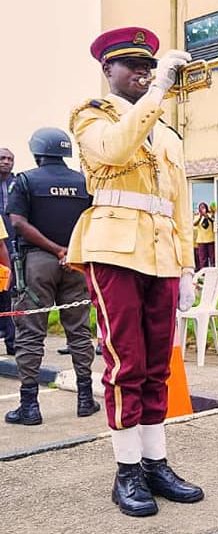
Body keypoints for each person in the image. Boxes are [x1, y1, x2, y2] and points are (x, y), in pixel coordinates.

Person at [67, 27, 202, 517]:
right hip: (113, 247)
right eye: (132, 65)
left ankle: (155, 461)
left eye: (148, 65)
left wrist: (187, 265)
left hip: (162, 253)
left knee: (156, 366)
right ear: (108, 71)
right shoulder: (91, 114)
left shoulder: (166, 129)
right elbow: (116, 150)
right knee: (125, 362)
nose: (143, 73)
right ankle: (126, 471)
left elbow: (179, 202)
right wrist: (161, 89)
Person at [4, 128, 100, 426]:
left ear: (37, 152)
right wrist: (69, 250)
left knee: (31, 333)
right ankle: (85, 399)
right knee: (80, 331)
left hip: (37, 263)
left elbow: (17, 222)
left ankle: (29, 406)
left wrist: (54, 248)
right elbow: (93, 220)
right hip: (76, 263)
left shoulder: (26, 180)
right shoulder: (84, 182)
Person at [0, 147, 16, 355]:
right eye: (2, 158)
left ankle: (12, 343)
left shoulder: (17, 183)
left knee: (10, 293)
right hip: (1, 243)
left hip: (11, 245)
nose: (5, 162)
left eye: (9, 159)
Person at [193, 202, 215, 268]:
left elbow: (213, 221)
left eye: (203, 207)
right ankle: (203, 273)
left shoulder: (210, 215)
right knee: (203, 259)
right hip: (201, 241)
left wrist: (207, 216)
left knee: (212, 258)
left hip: (210, 240)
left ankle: (213, 271)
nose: (202, 209)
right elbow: (194, 224)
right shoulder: (197, 216)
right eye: (200, 208)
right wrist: (200, 217)